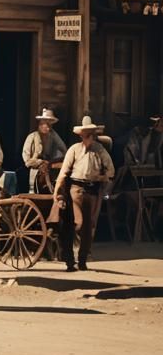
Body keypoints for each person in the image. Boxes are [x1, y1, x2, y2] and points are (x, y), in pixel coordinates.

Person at [54, 116, 115, 271]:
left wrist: (100, 178)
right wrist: (57, 192)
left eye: (91, 134)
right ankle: (70, 257)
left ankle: (82, 260)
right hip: (76, 189)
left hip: (93, 190)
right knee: (78, 223)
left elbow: (110, 171)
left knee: (89, 226)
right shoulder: (74, 149)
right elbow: (63, 172)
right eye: (85, 134)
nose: (88, 137)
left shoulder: (100, 150)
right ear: (81, 135)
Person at [22, 108, 68, 193]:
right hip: (34, 166)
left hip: (48, 163)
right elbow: (27, 160)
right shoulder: (32, 137)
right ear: (40, 125)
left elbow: (63, 148)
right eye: (44, 124)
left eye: (49, 124)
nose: (47, 126)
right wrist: (39, 162)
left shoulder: (52, 135)